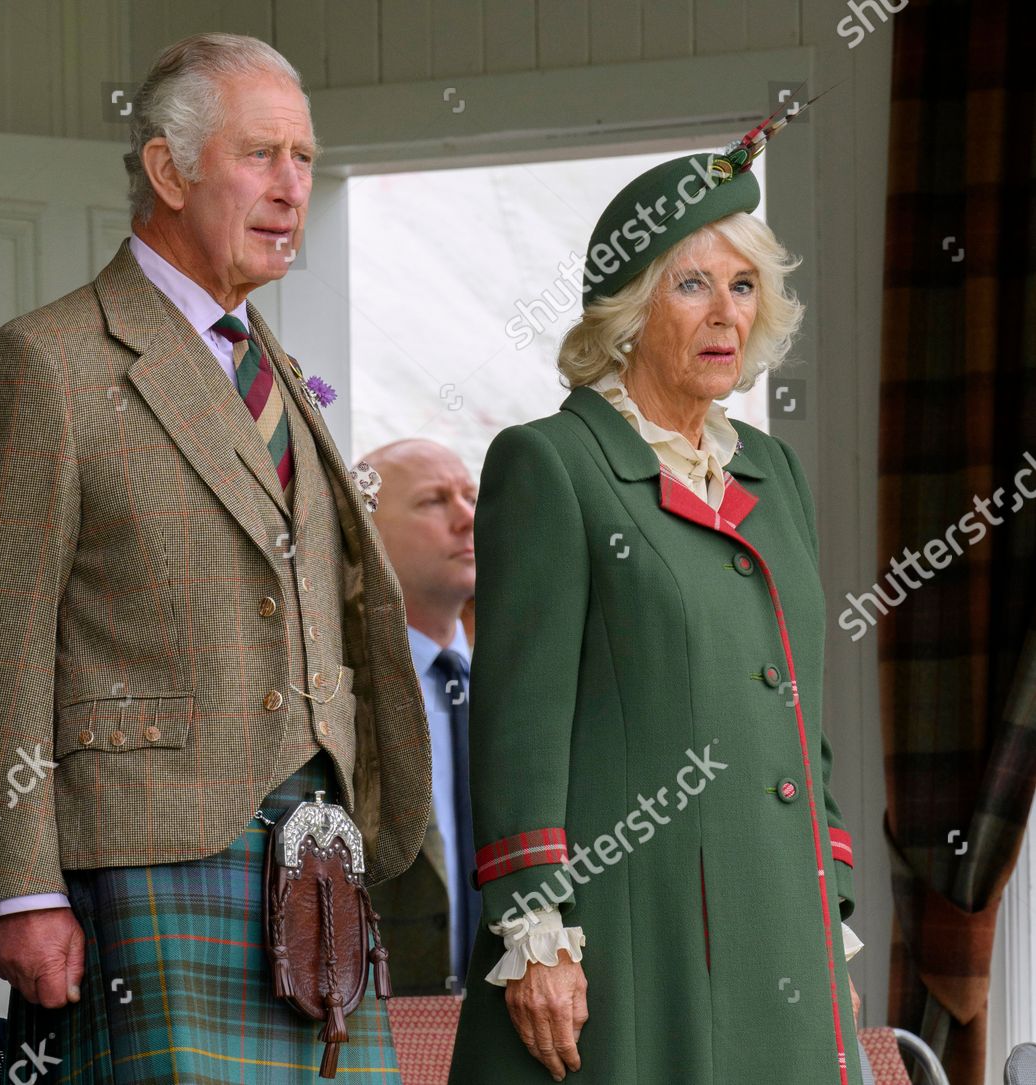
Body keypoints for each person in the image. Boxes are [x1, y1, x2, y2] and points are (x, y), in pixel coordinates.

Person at [0, 32, 431, 1084]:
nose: (293, 187)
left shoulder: (278, 370)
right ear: (168, 169)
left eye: (304, 157)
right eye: (262, 155)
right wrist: (22, 885)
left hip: (318, 864)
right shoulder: (48, 362)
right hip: (147, 857)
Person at [449, 141, 864, 1083]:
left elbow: (799, 708)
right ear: (630, 315)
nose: (727, 314)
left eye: (745, 286)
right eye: (692, 286)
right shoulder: (551, 462)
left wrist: (831, 896)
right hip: (635, 941)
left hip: (784, 935)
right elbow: (519, 720)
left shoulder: (774, 468)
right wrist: (536, 928)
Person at [362, 439, 480, 995]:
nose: (467, 518)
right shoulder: (340, 696)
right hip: (381, 1030)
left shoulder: (523, 688)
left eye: (471, 496)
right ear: (367, 533)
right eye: (435, 501)